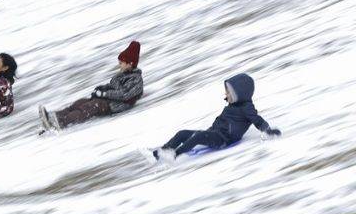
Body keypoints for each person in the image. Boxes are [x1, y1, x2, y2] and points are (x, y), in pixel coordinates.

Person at [151, 73, 281, 162]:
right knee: (182, 133)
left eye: (228, 92)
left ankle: (174, 155)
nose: (226, 93)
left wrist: (267, 130)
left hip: (223, 139)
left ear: (239, 94)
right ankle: (163, 151)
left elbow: (257, 119)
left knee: (198, 137)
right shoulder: (233, 104)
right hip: (214, 132)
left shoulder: (247, 108)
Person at [39, 41, 143, 131]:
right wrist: (101, 89)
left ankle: (61, 123)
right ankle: (52, 117)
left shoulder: (136, 79)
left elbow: (124, 95)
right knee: (80, 103)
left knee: (89, 107)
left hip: (116, 105)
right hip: (108, 100)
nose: (119, 65)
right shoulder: (121, 75)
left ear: (130, 63)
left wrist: (104, 94)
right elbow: (112, 86)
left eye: (121, 63)